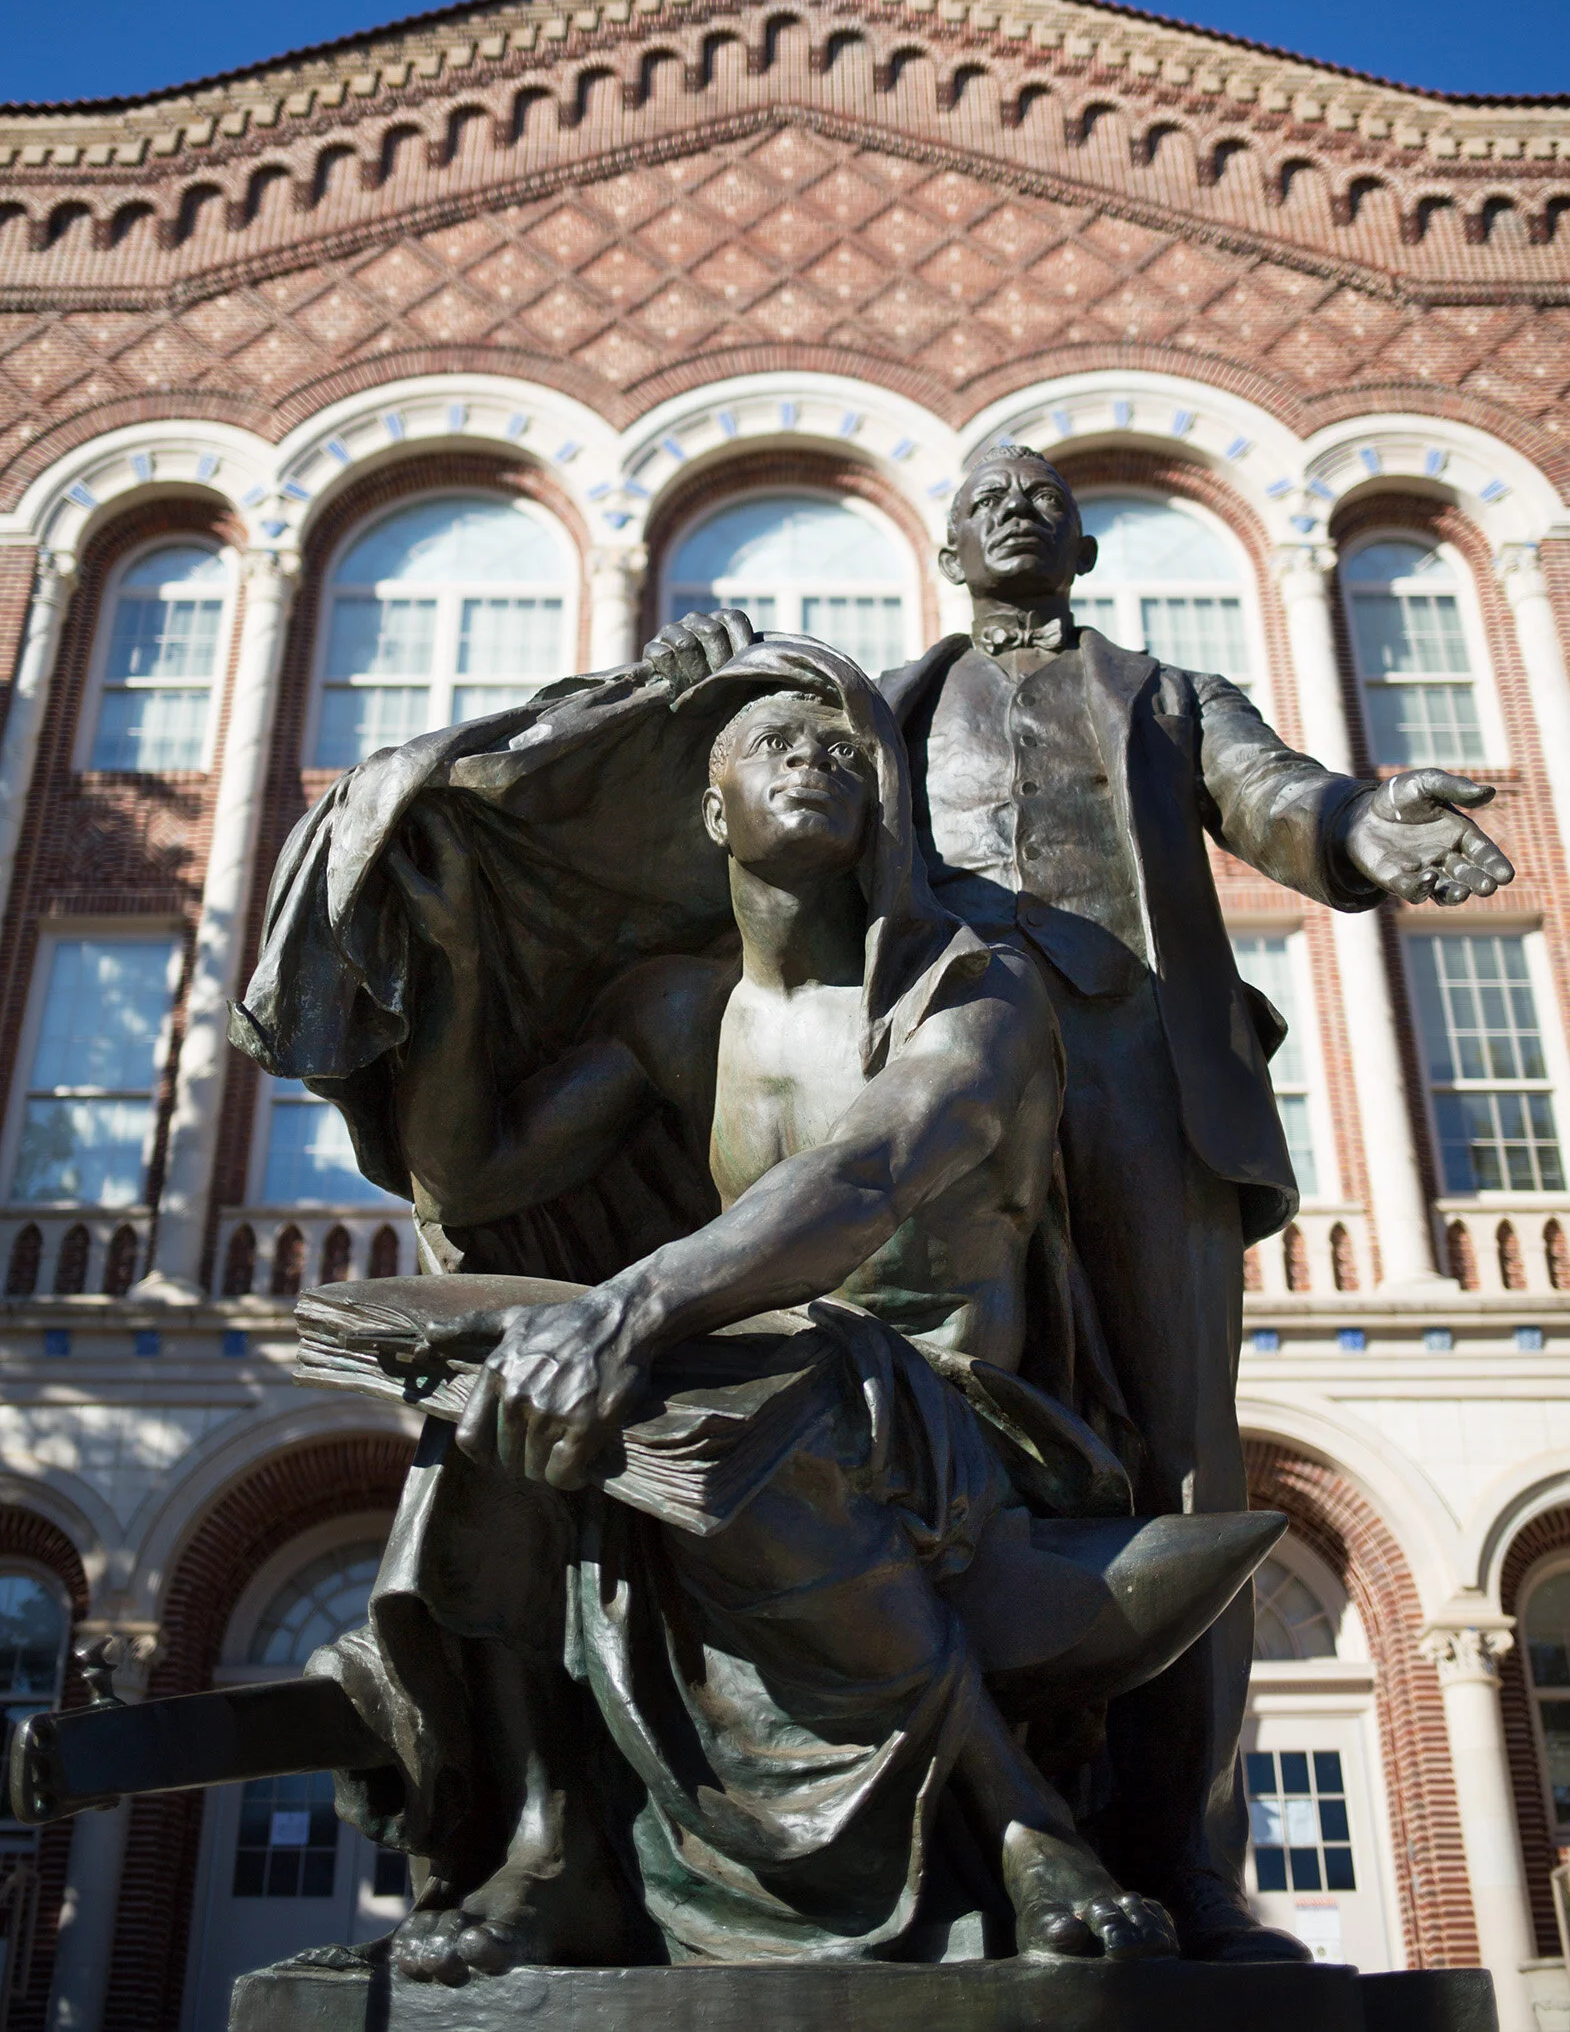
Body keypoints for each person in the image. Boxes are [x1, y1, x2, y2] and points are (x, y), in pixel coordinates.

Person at [237, 638, 1273, 1983]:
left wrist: (628, 1311)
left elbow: (872, 1172)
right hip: (756, 1383)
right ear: (711, 814)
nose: (812, 761)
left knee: (768, 1403)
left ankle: (1020, 1817)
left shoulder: (971, 994)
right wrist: (460, 969)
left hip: (966, 1418)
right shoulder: (677, 1011)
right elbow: (478, 1178)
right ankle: (553, 1842)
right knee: (495, 1401)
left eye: (841, 749)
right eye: (772, 746)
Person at [645, 454, 1514, 1964]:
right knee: (928, 1438)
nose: (1016, 510)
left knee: (1177, 1464)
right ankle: (961, 1834)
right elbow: (742, 826)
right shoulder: (888, 711)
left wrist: (1372, 829)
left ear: (1086, 549)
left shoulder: (1166, 696)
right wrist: (680, 692)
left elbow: (1281, 802)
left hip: (1133, 1086)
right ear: (946, 549)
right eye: (988, 498)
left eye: (1045, 497)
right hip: (942, 1081)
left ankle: (1178, 1853)